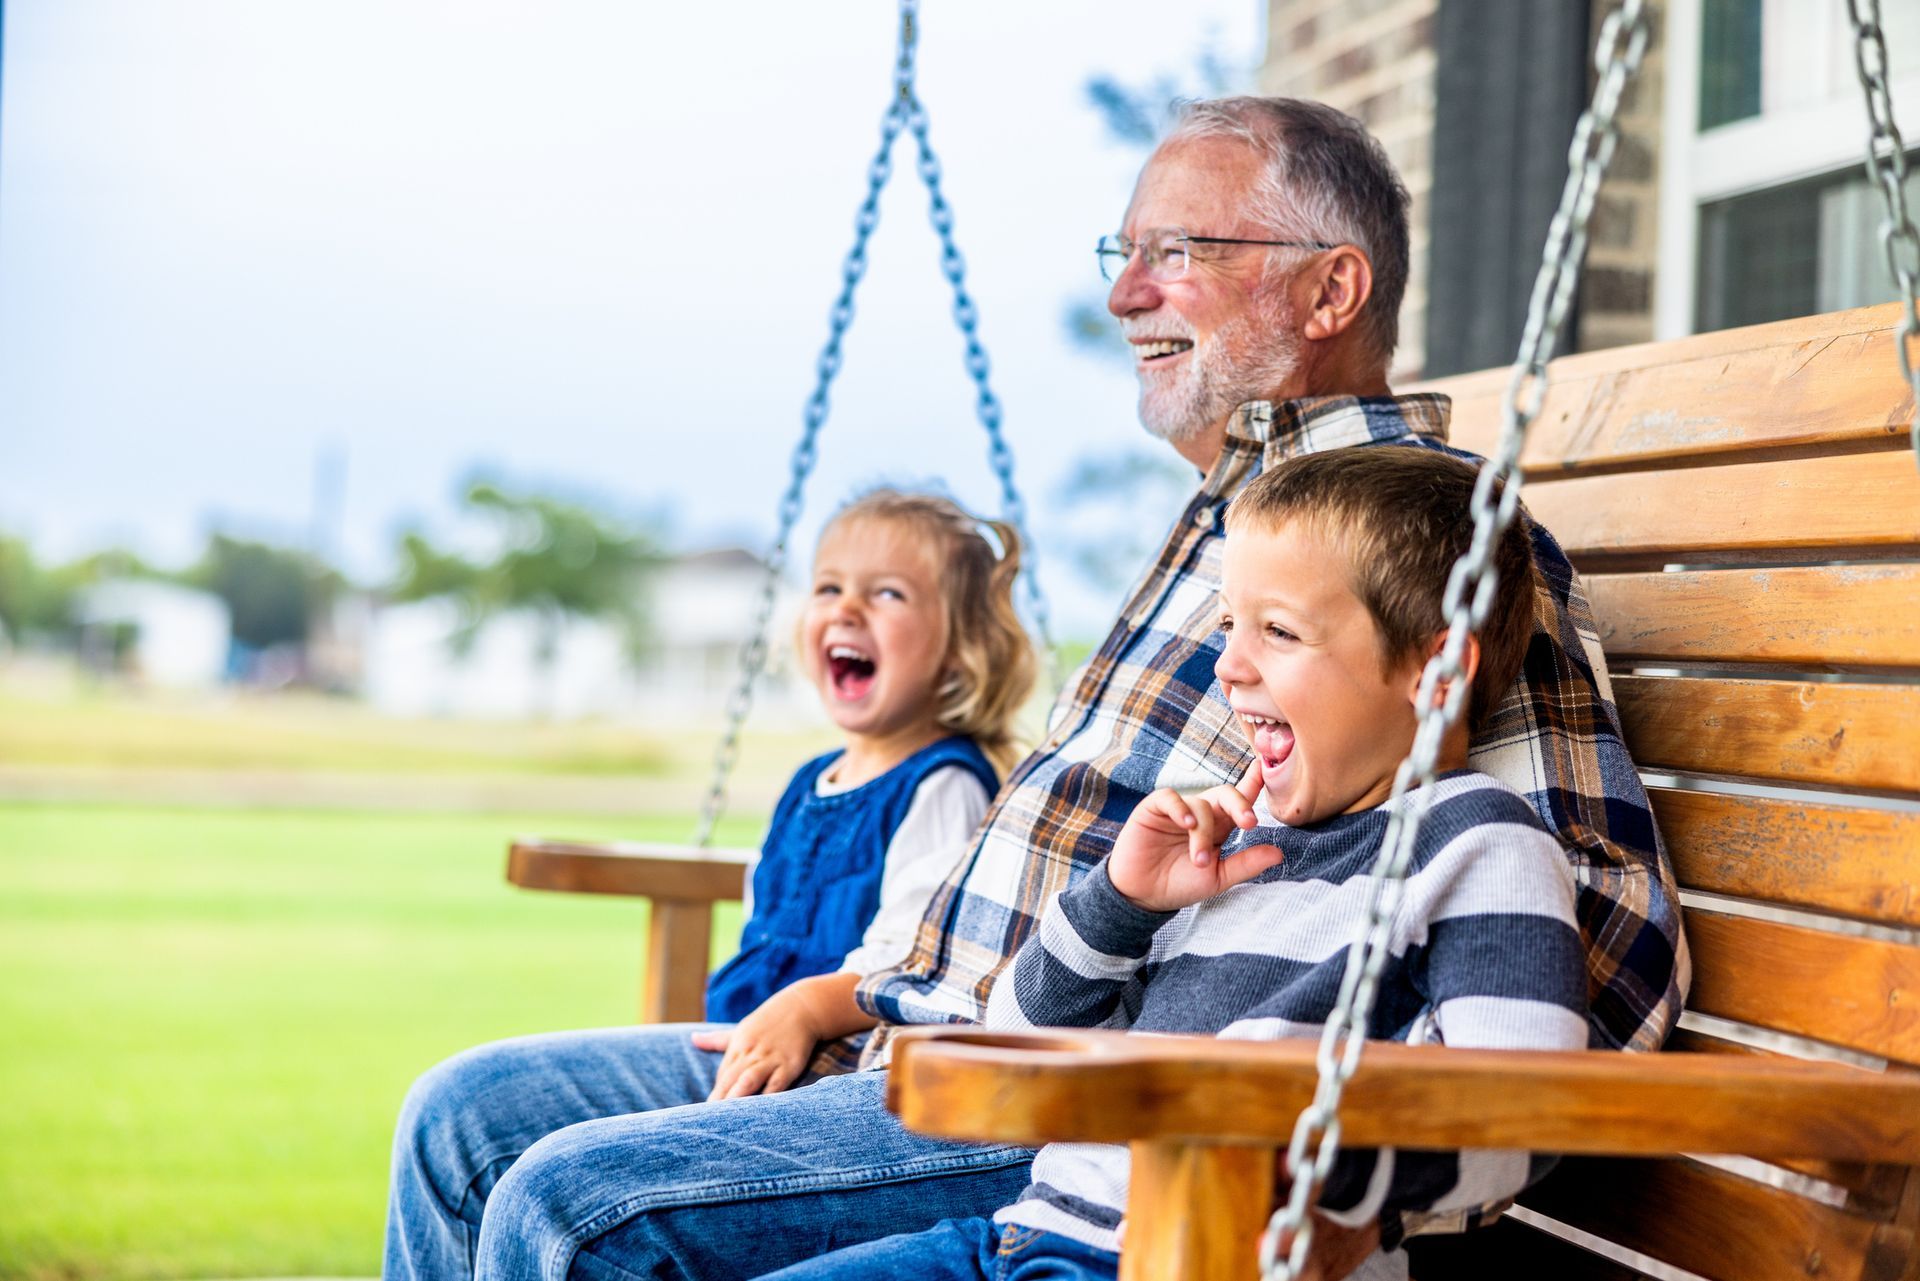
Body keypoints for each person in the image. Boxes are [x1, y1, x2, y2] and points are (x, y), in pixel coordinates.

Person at [385, 96, 1686, 1281]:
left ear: (1331, 288)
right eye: (1120, 252)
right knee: (460, 1118)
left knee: (575, 1206)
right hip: (915, 1024)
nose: (1127, 294)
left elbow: (1598, 955)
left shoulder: (1414, 554)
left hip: (1072, 1106)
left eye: (1177, 252)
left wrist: (1297, 1128)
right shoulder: (1236, 532)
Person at [753, 445, 1590, 1281]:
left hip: (1193, 1253)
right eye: (1230, 625)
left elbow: (1523, 1108)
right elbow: (1014, 1039)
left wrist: (1334, 1190)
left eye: (1279, 631)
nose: (1228, 665)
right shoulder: (1232, 844)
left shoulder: (1482, 845)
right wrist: (1121, 900)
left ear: (1438, 674)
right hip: (1022, 1235)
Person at [694, 488, 1035, 1100]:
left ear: (961, 651)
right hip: (748, 1039)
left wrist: (803, 1011)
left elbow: (914, 957)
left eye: (886, 594)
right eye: (829, 587)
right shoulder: (810, 781)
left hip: (836, 1064)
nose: (847, 608)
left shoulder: (944, 784)